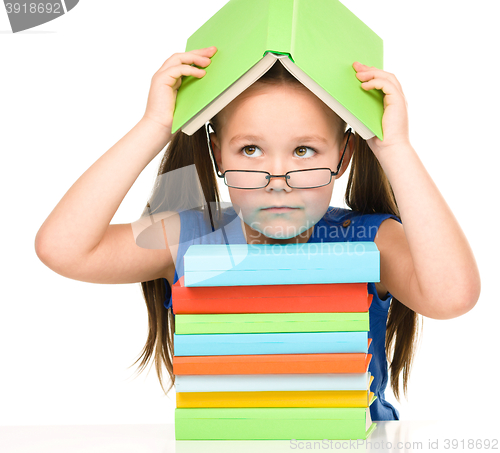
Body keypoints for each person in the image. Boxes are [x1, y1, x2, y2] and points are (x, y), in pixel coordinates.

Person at [34, 46, 481, 421]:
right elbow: (65, 250)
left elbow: (452, 296)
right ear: (217, 153)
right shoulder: (193, 233)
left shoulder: (367, 240)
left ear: (344, 155)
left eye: (304, 150)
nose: (278, 176)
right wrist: (154, 126)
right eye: (251, 149)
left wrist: (394, 148)